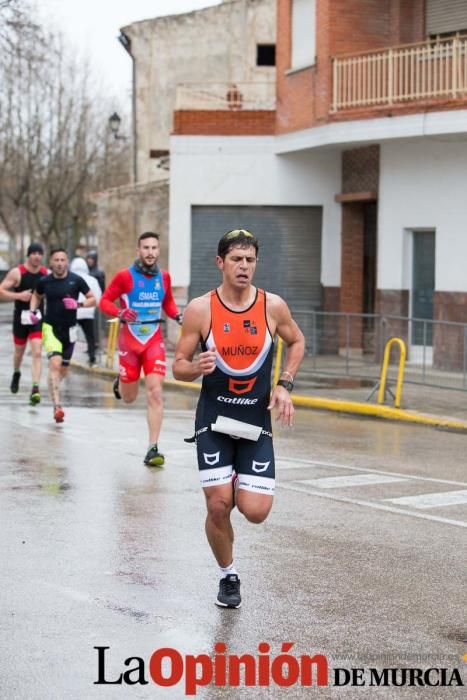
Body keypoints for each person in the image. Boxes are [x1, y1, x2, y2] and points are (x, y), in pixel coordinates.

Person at [173, 229, 305, 609]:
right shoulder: (201, 309)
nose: (243, 266)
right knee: (217, 505)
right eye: (236, 259)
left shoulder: (272, 306)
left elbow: (296, 341)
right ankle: (227, 576)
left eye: (249, 260)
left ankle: (233, 481)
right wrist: (195, 367)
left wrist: (284, 384)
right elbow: (178, 366)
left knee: (255, 512)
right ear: (220, 263)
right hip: (214, 419)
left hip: (254, 421)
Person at [99, 232, 182, 467]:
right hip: (129, 341)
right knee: (129, 398)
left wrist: (177, 315)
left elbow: (167, 302)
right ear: (138, 250)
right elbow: (104, 301)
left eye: (154, 248)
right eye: (145, 248)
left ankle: (152, 448)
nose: (150, 252)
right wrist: (120, 312)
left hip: (154, 340)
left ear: (158, 250)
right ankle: (121, 382)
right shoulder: (125, 277)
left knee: (155, 392)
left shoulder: (164, 277)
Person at [29, 248, 96, 423]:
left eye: (62, 260)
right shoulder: (44, 281)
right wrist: (33, 310)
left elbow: (92, 299)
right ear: (51, 262)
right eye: (56, 260)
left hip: (70, 330)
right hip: (50, 328)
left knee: (63, 370)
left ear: (67, 262)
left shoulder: (76, 280)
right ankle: (57, 407)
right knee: (55, 363)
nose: (59, 263)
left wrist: (78, 304)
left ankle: (53, 385)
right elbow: (36, 296)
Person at [0, 242, 48, 404]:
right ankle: (16, 372)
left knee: (36, 352)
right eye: (33, 253)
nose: (37, 256)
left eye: (39, 253)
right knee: (19, 352)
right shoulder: (17, 272)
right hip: (20, 318)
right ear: (29, 255)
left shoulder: (45, 273)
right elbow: (1, 290)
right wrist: (19, 296)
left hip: (37, 318)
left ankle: (35, 388)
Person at [70, 257, 102, 366]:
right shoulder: (93, 280)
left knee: (70, 334)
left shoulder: (70, 279)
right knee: (90, 336)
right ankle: (92, 356)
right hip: (88, 312)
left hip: (73, 311)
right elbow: (98, 297)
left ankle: (66, 355)